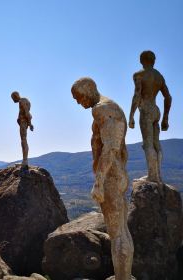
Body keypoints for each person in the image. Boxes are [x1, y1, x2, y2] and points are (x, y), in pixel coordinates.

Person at [72, 78, 134, 280]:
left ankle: (122, 277)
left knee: (117, 234)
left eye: (79, 97)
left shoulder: (102, 108)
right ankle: (123, 275)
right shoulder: (111, 106)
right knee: (122, 231)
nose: (79, 103)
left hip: (110, 177)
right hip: (118, 173)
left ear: (88, 89)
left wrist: (98, 182)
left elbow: (111, 148)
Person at [129, 50, 172, 183]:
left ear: (141, 60)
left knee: (148, 144)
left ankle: (152, 176)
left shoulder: (139, 75)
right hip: (156, 110)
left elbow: (137, 95)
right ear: (153, 61)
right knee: (156, 144)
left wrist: (131, 116)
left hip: (146, 110)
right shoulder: (159, 76)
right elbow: (168, 97)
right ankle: (157, 175)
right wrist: (165, 117)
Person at [11, 91, 34, 167]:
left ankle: (25, 161)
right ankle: (25, 160)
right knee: (24, 140)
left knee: (23, 140)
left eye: (12, 98)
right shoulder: (24, 100)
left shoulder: (22, 101)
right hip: (23, 122)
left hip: (23, 122)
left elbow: (27, 113)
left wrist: (30, 124)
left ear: (15, 96)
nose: (13, 100)